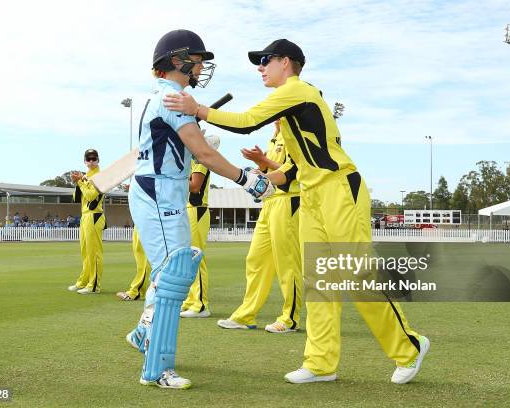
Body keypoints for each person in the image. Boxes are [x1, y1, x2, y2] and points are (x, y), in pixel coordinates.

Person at [163, 39, 429, 385]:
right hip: (312, 193)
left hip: (339, 188)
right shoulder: (290, 110)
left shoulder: (297, 90)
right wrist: (258, 177)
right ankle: (320, 363)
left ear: (286, 62)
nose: (260, 67)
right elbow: (291, 171)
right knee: (319, 282)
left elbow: (247, 121)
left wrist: (198, 109)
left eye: (264, 60)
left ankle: (410, 347)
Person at [123, 29, 273, 390]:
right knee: (173, 276)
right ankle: (156, 369)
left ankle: (144, 332)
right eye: (198, 59)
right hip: (159, 189)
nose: (203, 66)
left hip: (161, 189)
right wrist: (246, 178)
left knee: (173, 273)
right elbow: (204, 154)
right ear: (178, 61)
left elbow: (191, 147)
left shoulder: (167, 97)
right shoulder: (173, 98)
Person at [217, 120, 302, 333]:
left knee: (287, 263)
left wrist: (262, 160)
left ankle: (289, 319)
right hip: (269, 202)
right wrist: (261, 164)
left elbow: (295, 171)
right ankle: (245, 315)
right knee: (255, 259)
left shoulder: (297, 135)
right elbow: (270, 169)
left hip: (289, 199)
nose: (276, 116)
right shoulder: (275, 137)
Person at [67, 149, 106, 295]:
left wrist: (81, 181)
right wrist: (78, 182)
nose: (91, 161)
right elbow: (76, 198)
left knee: (94, 252)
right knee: (85, 252)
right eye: (88, 159)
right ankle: (84, 281)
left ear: (98, 160)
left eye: (94, 159)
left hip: (94, 215)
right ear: (84, 161)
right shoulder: (86, 176)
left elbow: (91, 196)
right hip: (85, 215)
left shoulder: (100, 176)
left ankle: (94, 285)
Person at [180, 157, 213, 318]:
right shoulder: (190, 161)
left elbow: (194, 187)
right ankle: (190, 300)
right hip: (189, 209)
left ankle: (200, 305)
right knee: (188, 258)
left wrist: (175, 177)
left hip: (196, 210)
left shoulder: (200, 160)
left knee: (196, 257)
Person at [117, 227, 152, 301]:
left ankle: (136, 291)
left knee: (144, 255)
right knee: (139, 252)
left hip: (148, 218)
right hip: (139, 219)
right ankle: (140, 290)